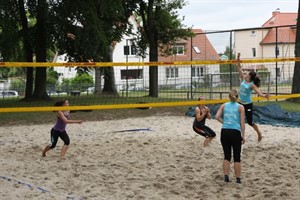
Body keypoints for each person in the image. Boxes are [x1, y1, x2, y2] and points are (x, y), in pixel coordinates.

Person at [236, 53, 269, 141]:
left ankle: (259, 133)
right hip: (240, 103)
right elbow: (238, 68)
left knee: (250, 122)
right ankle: (240, 136)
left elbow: (259, 92)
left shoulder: (251, 85)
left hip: (248, 105)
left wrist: (264, 96)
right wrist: (238, 58)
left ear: (250, 76)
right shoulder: (243, 79)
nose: (246, 73)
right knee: (238, 120)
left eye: (248, 73)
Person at [216, 89, 245, 184]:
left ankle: (226, 177)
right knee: (236, 157)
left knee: (227, 156)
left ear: (229, 97)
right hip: (235, 131)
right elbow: (242, 122)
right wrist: (243, 135)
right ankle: (238, 179)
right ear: (237, 97)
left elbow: (217, 117)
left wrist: (225, 122)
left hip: (224, 131)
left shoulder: (224, 105)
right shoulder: (240, 107)